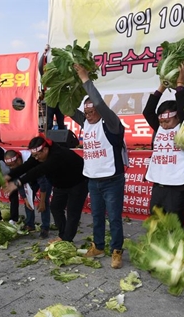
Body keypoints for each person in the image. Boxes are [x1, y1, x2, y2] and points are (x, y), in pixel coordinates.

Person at [70, 63, 127, 269]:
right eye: (86, 111)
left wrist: (85, 79)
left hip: (112, 180)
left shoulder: (110, 123)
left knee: (114, 218)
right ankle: (99, 246)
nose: (89, 113)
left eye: (92, 110)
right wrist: (60, 86)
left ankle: (117, 251)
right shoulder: (86, 122)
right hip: (93, 180)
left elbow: (100, 103)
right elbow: (67, 107)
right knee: (96, 217)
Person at [4, 134, 88, 243]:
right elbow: (27, 166)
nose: (36, 158)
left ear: (45, 150)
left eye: (37, 155)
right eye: (34, 155)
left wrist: (17, 183)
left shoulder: (57, 155)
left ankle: (67, 239)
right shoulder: (38, 154)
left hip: (78, 183)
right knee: (56, 208)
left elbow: (37, 171)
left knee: (72, 212)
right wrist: (9, 176)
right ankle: (63, 235)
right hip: (61, 184)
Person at [142, 63, 184, 227]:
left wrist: (180, 85)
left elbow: (182, 108)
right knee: (155, 223)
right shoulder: (159, 128)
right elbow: (148, 111)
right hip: (159, 183)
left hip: (177, 185)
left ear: (178, 118)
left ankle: (173, 253)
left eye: (168, 120)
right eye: (161, 121)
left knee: (174, 225)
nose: (164, 124)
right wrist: (162, 87)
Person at [4, 149, 39, 230]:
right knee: (28, 200)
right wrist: (25, 198)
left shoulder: (30, 158)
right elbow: (18, 183)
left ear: (19, 160)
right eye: (9, 166)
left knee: (44, 203)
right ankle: (30, 224)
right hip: (27, 178)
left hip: (41, 175)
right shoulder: (14, 164)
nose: (11, 168)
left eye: (12, 165)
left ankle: (45, 227)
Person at [38, 44, 66, 131]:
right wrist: (45, 53)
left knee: (61, 123)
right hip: (50, 101)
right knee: (49, 123)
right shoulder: (47, 75)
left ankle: (62, 142)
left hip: (60, 101)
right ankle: (48, 141)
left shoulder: (61, 74)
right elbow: (40, 66)